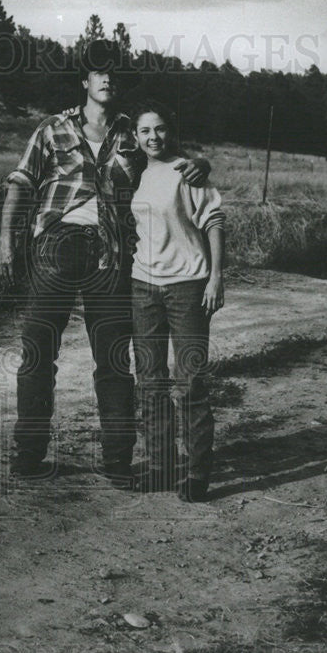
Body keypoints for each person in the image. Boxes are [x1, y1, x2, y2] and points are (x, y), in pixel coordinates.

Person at [0, 40, 210, 486]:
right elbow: (19, 183)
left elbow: (177, 163)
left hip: (111, 255)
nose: (107, 77)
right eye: (98, 71)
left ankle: (117, 459)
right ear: (85, 81)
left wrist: (201, 164)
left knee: (113, 359)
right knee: (38, 354)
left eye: (114, 71)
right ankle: (28, 452)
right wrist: (6, 244)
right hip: (54, 247)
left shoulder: (135, 133)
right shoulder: (52, 128)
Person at [129, 100, 225, 502]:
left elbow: (214, 221)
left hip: (187, 285)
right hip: (143, 287)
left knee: (189, 383)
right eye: (146, 131)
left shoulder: (188, 171)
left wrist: (216, 277)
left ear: (171, 131)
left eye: (161, 129)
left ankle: (198, 472)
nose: (154, 137)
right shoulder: (133, 172)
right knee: (150, 382)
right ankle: (161, 466)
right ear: (135, 137)